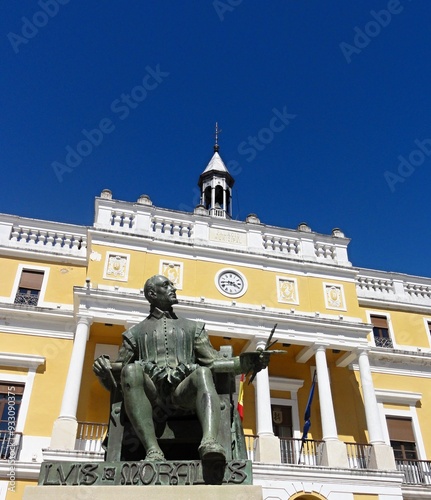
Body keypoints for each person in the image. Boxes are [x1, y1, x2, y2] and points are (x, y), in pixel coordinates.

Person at [93, 274, 269, 462]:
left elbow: (212, 361)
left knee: (203, 372)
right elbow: (119, 382)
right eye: (166, 285)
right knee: (130, 371)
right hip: (151, 397)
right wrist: (103, 371)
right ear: (152, 294)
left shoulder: (193, 328)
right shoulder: (134, 333)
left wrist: (246, 363)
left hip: (182, 394)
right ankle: (153, 450)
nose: (173, 288)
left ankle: (209, 442)